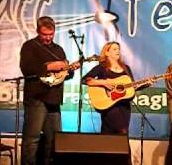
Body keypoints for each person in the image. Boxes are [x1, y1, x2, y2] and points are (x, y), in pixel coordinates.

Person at [20, 16, 79, 165]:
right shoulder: (29, 46)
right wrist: (49, 66)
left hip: (54, 100)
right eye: (44, 34)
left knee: (54, 140)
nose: (48, 38)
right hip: (36, 99)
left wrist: (70, 70)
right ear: (38, 31)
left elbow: (64, 75)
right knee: (32, 139)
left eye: (51, 34)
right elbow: (26, 69)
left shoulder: (58, 49)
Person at [82, 41, 152, 164]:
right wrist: (104, 82)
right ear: (107, 52)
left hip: (124, 107)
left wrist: (146, 84)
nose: (117, 51)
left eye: (118, 49)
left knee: (107, 135)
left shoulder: (126, 68)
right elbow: (86, 80)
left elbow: (131, 87)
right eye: (114, 49)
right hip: (109, 106)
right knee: (122, 133)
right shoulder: (101, 67)